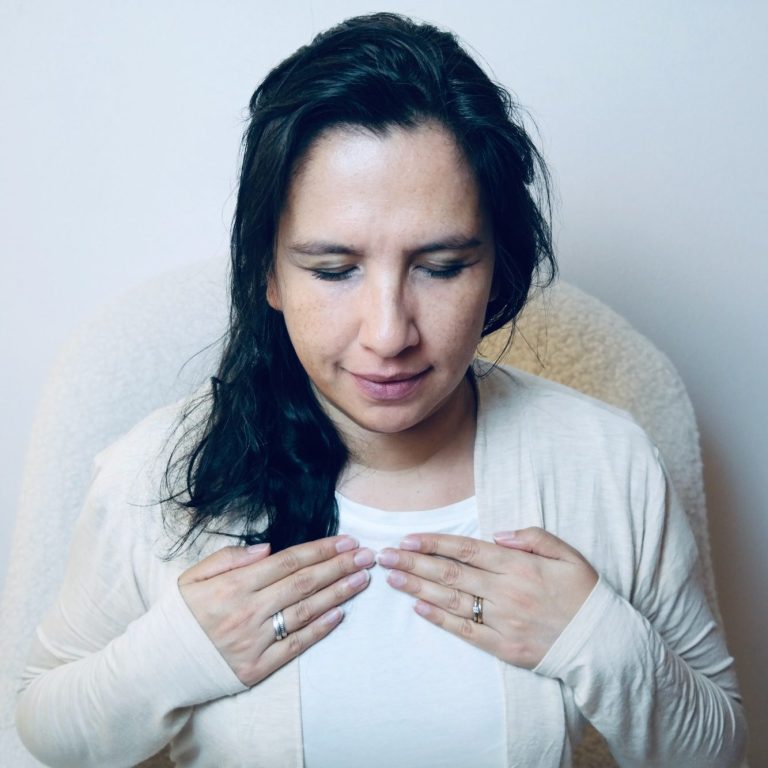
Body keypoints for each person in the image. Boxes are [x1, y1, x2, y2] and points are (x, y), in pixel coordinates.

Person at [16, 12, 746, 768]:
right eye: (334, 270)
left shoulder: (607, 463)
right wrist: (176, 656)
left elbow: (716, 748)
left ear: (498, 268)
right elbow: (44, 725)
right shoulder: (154, 473)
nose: (389, 332)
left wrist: (594, 639)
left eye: (441, 267)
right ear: (268, 273)